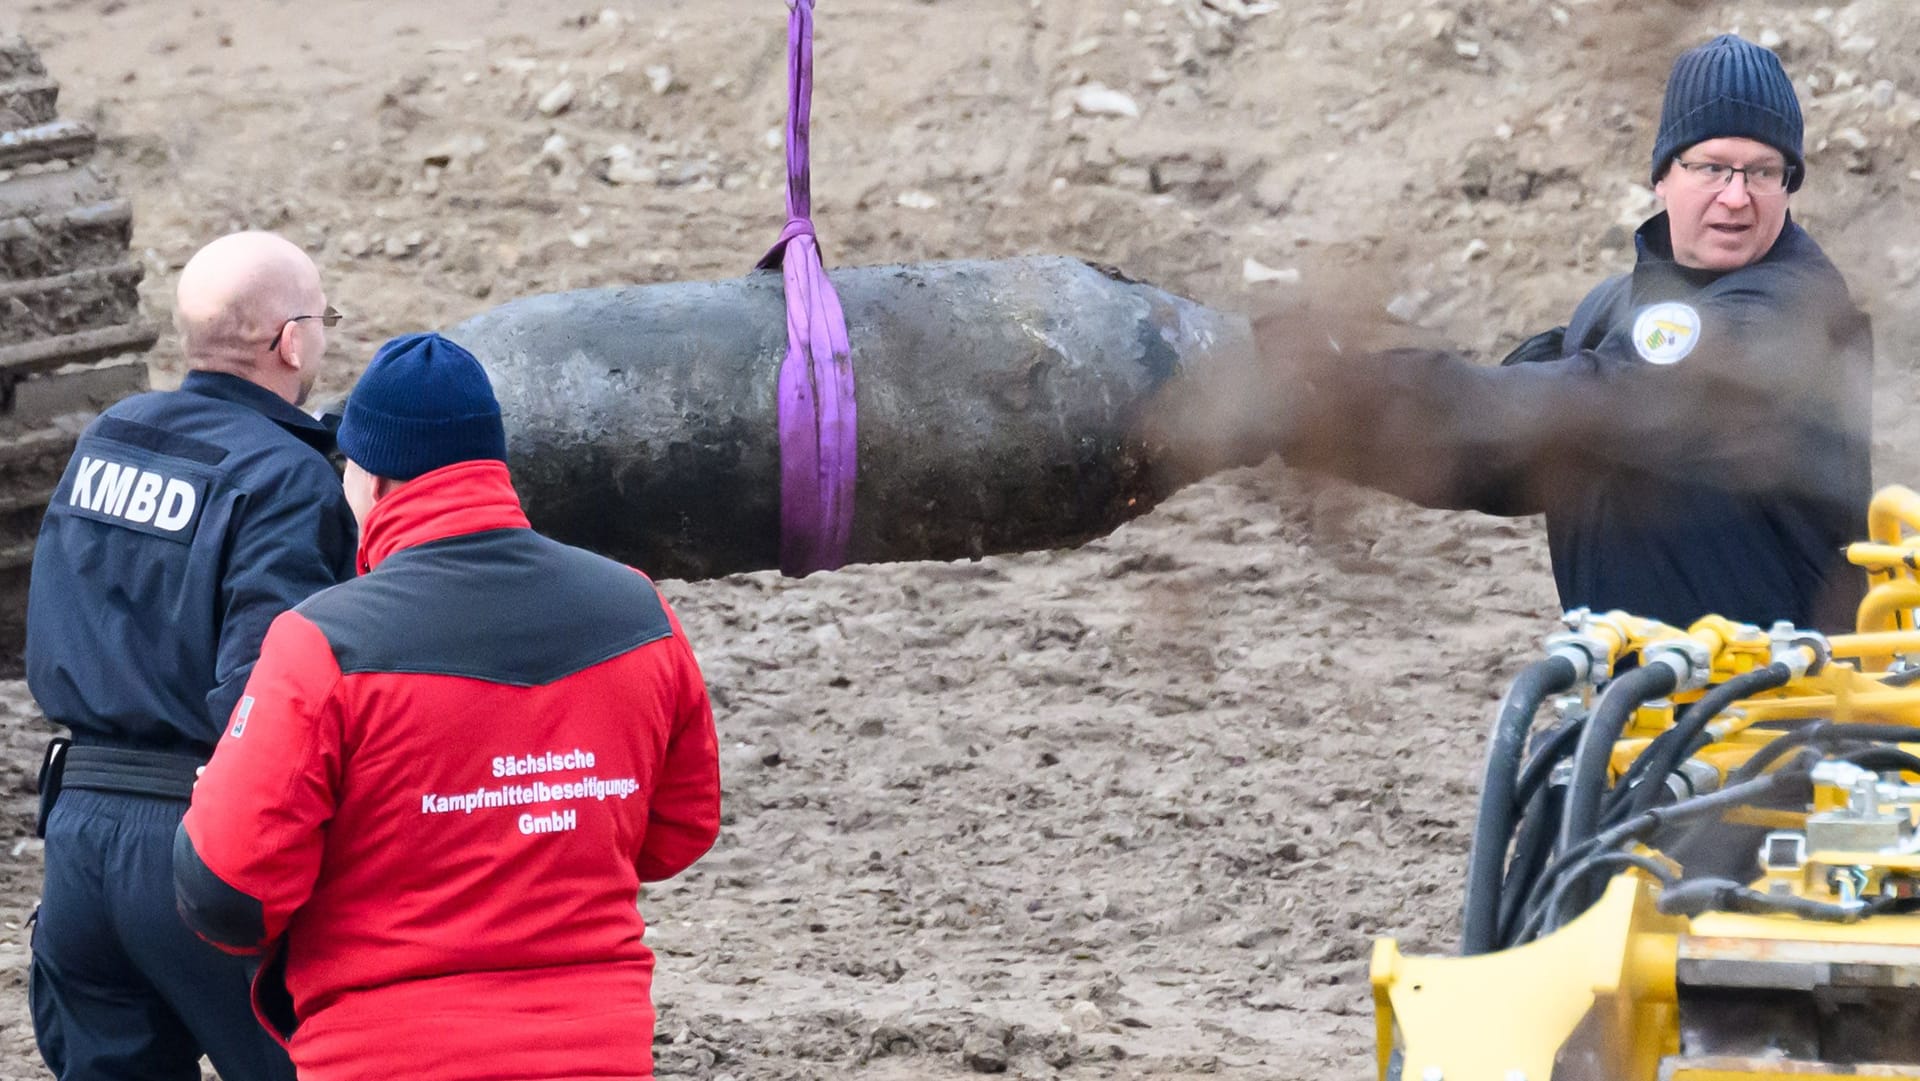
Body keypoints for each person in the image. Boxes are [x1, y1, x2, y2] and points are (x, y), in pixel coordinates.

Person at [174, 333, 722, 1081]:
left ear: (372, 481)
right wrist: (542, 829)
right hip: (598, 1052)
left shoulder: (321, 643)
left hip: (383, 1055)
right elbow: (680, 831)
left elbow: (228, 894)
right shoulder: (638, 611)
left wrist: (211, 813)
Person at [1273, 34, 1872, 633]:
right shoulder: (1610, 314)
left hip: (1779, 711)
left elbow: (1591, 406)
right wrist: (1306, 415)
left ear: (1789, 185)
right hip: (1637, 706)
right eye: (1712, 167)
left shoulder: (1789, 315)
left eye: (1763, 172)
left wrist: (1329, 392)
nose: (1736, 197)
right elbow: (1502, 448)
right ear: (1663, 176)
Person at [25, 231, 352, 1081]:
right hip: (202, 840)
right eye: (323, 317)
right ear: (289, 340)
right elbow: (273, 689)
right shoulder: (288, 477)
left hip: (78, 840)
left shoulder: (111, 434)